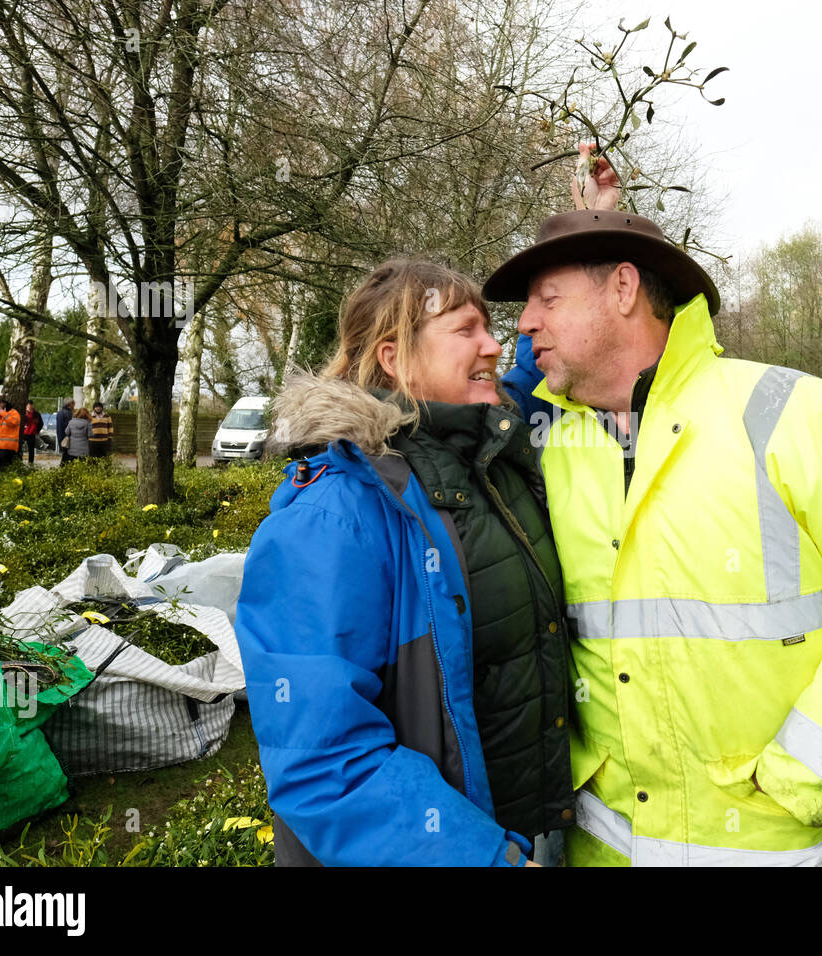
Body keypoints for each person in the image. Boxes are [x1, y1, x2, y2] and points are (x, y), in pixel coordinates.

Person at [484, 180, 822, 867]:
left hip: (797, 846)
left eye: (548, 299)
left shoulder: (792, 410)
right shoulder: (541, 439)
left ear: (623, 288)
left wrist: (815, 765)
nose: (526, 322)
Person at [234, 260, 573, 866]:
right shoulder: (335, 513)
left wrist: (588, 226)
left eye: (492, 329)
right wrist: (486, 858)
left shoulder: (478, 455)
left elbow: (519, 377)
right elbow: (324, 760)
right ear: (394, 358)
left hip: (527, 832)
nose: (492, 345)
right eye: (467, 330)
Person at [0, 396, 21, 470]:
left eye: (0, 402)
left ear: (5, 403)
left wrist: (3, 413)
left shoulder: (13, 413)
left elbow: (13, 422)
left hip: (8, 446)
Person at [20, 400, 44, 466]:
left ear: (33, 405)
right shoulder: (23, 413)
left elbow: (41, 423)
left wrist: (37, 430)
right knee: (20, 448)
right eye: (28, 405)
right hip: (23, 433)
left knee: (31, 450)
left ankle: (31, 463)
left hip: (32, 434)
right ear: (26, 406)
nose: (29, 407)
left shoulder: (36, 414)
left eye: (31, 405)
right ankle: (19, 461)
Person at [56, 399, 75, 465]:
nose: (74, 406)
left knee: (66, 455)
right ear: (70, 404)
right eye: (73, 404)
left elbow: (59, 428)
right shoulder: (69, 414)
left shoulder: (60, 413)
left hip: (62, 438)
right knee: (67, 456)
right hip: (68, 438)